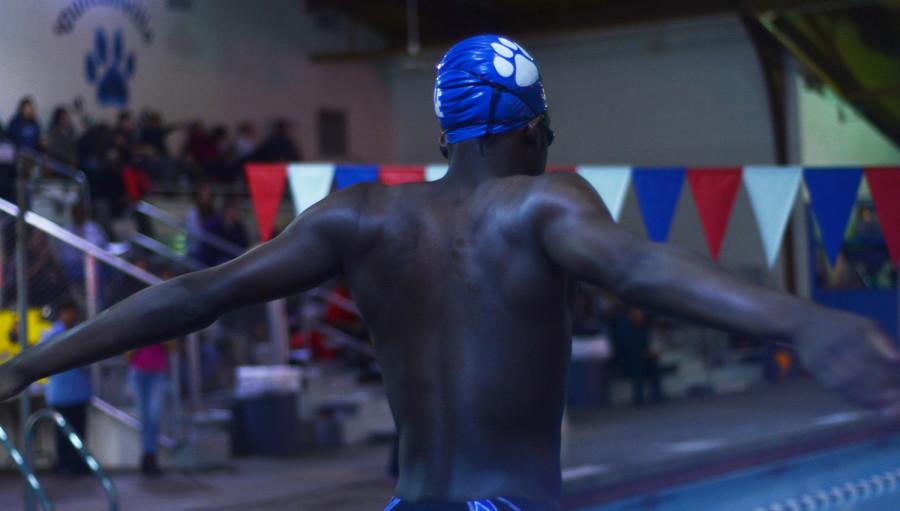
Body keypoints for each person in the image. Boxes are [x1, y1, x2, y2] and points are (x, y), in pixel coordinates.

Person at [0, 35, 899, 511]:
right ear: (525, 127)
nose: (550, 142)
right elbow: (640, 267)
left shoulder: (360, 217)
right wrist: (805, 321)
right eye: (544, 126)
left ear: (449, 131)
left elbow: (194, 293)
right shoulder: (542, 206)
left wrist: (28, 363)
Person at [40, 300, 92, 477]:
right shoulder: (52, 335)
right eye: (68, 312)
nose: (71, 316)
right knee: (63, 434)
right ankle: (65, 466)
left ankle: (79, 464)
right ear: (61, 313)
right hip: (61, 394)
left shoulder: (81, 332)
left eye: (73, 312)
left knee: (80, 431)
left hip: (79, 392)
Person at [128, 340, 170, 476]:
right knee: (144, 417)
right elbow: (127, 353)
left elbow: (173, 347)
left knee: (154, 415)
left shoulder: (163, 324)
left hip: (157, 372)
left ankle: (149, 455)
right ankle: (148, 456)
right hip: (138, 371)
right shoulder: (136, 323)